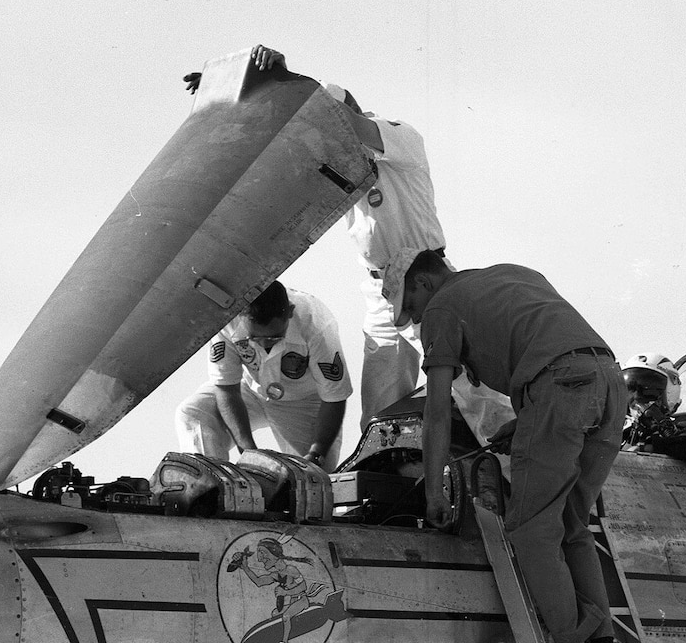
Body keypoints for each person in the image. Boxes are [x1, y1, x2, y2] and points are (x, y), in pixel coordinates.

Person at [402, 251, 630, 643]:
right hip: (609, 385)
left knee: (530, 533)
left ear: (425, 283)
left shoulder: (441, 308)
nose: (416, 319)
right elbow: (561, 353)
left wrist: (433, 491)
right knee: (572, 526)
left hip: (559, 391)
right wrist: (526, 421)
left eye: (411, 307)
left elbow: (436, 412)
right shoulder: (514, 274)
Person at [323, 87, 514, 443]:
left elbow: (348, 124)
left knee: (472, 389)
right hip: (381, 293)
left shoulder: (399, 138)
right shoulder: (341, 165)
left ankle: (507, 462)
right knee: (379, 410)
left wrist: (289, 90)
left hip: (425, 283)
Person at [174, 282, 352, 467]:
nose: (265, 344)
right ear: (242, 316)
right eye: (255, 338)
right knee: (193, 412)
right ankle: (215, 486)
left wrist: (317, 452)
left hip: (305, 402)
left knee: (314, 476)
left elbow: (334, 397)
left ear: (289, 312)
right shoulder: (228, 318)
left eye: (274, 337)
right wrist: (249, 452)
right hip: (250, 392)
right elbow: (227, 389)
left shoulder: (316, 324)